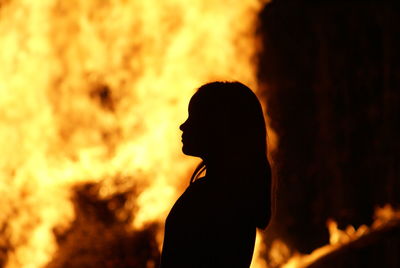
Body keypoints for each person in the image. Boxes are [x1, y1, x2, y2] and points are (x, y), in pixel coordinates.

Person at [160, 81, 272, 267]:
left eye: (193, 118)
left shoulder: (208, 199)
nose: (183, 126)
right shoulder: (239, 196)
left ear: (218, 128)